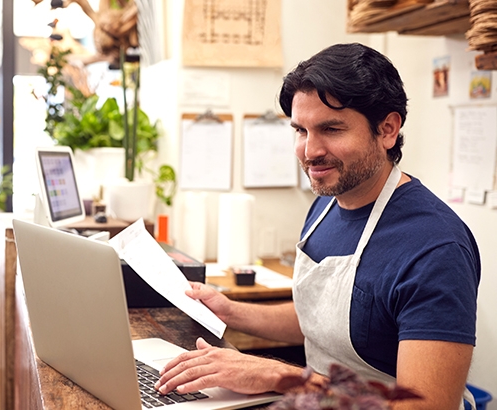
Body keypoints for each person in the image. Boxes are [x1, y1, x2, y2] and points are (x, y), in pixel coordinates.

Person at [154, 43, 480, 409]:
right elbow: (326, 318)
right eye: (301, 131)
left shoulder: (436, 249)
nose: (309, 151)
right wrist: (232, 311)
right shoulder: (326, 205)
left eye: (331, 129)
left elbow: (425, 407)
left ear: (387, 130)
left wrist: (280, 376)